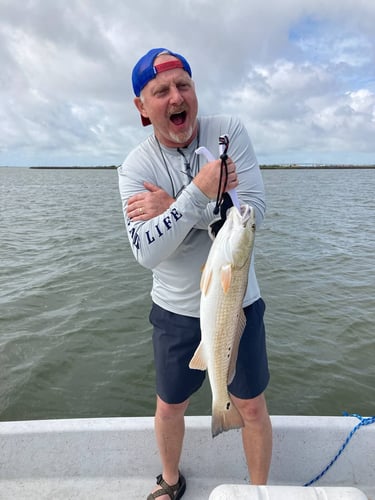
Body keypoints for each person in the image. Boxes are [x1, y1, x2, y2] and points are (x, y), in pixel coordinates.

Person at [118, 47, 272, 500]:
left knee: (251, 405)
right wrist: (199, 196)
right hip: (174, 309)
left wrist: (176, 206)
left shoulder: (229, 132)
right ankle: (169, 480)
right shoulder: (135, 167)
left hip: (236, 301)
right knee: (170, 406)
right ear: (142, 107)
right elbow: (146, 251)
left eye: (183, 85)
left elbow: (253, 213)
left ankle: (258, 492)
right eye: (160, 90)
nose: (175, 97)